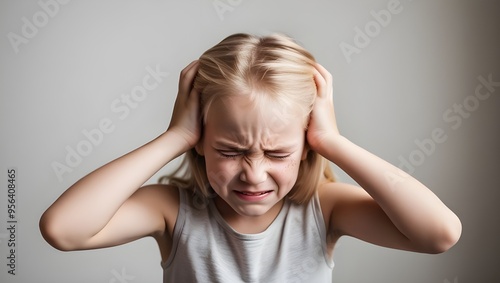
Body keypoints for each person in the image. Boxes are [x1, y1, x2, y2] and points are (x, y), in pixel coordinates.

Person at [40, 33, 462, 282]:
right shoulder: (173, 209)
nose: (253, 173)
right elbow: (63, 229)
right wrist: (175, 136)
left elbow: (439, 235)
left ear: (307, 144)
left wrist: (334, 142)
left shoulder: (323, 208)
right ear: (201, 140)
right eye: (230, 150)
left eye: (278, 152)